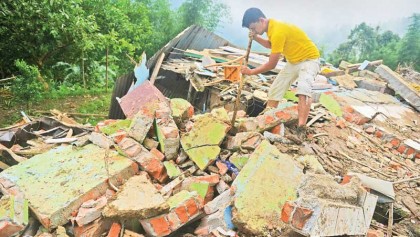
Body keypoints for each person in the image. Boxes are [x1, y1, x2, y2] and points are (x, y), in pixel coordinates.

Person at [241, 7, 320, 136]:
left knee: (303, 90)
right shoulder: (271, 27)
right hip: (294, 61)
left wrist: (251, 72)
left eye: (254, 28)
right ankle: (267, 120)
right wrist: (255, 37)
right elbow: (270, 45)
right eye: (251, 30)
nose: (253, 31)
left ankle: (301, 128)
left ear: (261, 20)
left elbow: (272, 64)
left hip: (309, 59)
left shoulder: (278, 30)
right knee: (275, 89)